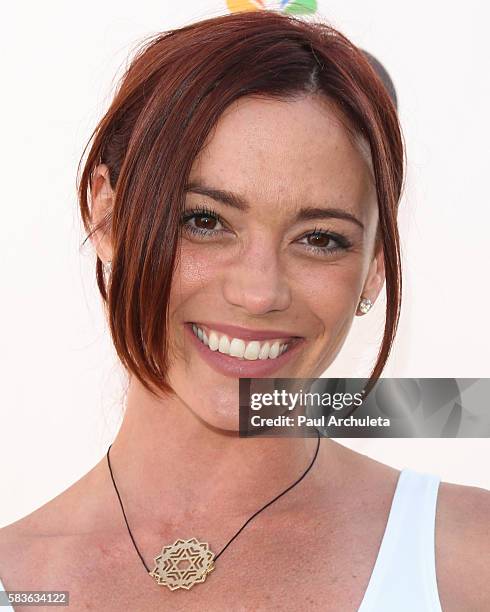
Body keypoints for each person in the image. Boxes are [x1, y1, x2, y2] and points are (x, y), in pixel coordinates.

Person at [0, 10, 488, 612]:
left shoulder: (471, 562)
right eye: (203, 221)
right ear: (107, 215)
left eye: (320, 238)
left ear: (376, 267)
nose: (259, 293)